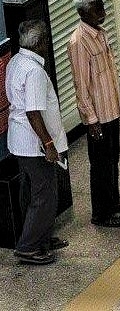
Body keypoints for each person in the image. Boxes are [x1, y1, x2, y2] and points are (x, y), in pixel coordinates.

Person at [68, 0, 120, 229]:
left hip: (111, 109)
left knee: (113, 158)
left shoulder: (100, 34)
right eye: (97, 8)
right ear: (84, 13)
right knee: (101, 164)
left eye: (102, 6)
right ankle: (101, 213)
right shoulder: (78, 42)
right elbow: (81, 85)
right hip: (98, 116)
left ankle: (113, 201)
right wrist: (91, 120)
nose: (103, 12)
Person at [7, 20, 69, 264]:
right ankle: (29, 246)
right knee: (45, 195)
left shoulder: (15, 61)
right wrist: (49, 144)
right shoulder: (34, 71)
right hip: (34, 145)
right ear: (41, 43)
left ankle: (40, 237)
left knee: (30, 192)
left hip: (20, 142)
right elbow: (34, 112)